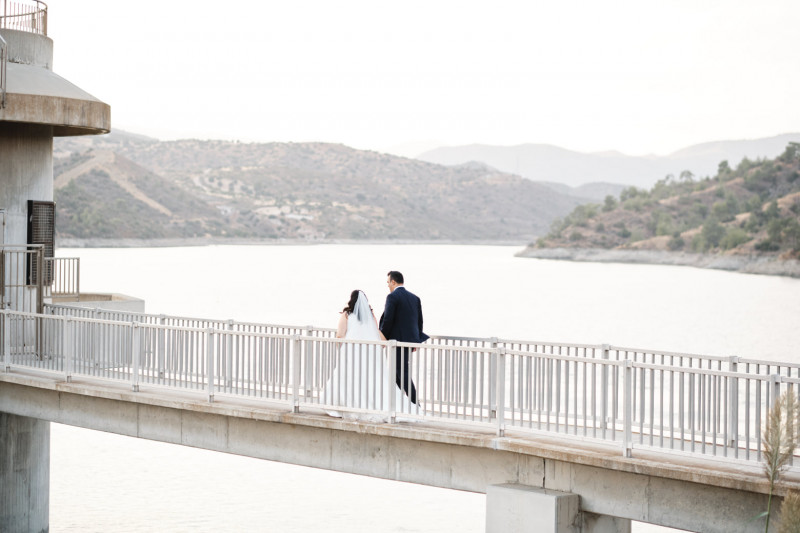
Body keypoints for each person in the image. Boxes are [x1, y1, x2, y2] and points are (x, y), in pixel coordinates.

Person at [321, 290, 411, 420]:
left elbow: (340, 335)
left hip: (351, 353)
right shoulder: (370, 316)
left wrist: (340, 349)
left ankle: (348, 405)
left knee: (350, 378)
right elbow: (376, 332)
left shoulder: (347, 315)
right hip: (369, 353)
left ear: (351, 300)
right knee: (370, 379)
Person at [379, 271, 428, 410]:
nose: (387, 285)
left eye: (388, 282)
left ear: (393, 282)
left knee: (402, 373)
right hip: (408, 341)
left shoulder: (392, 297)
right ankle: (400, 404)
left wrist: (383, 338)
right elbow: (419, 322)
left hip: (397, 342)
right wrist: (416, 341)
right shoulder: (415, 298)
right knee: (397, 374)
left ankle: (415, 405)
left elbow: (388, 320)